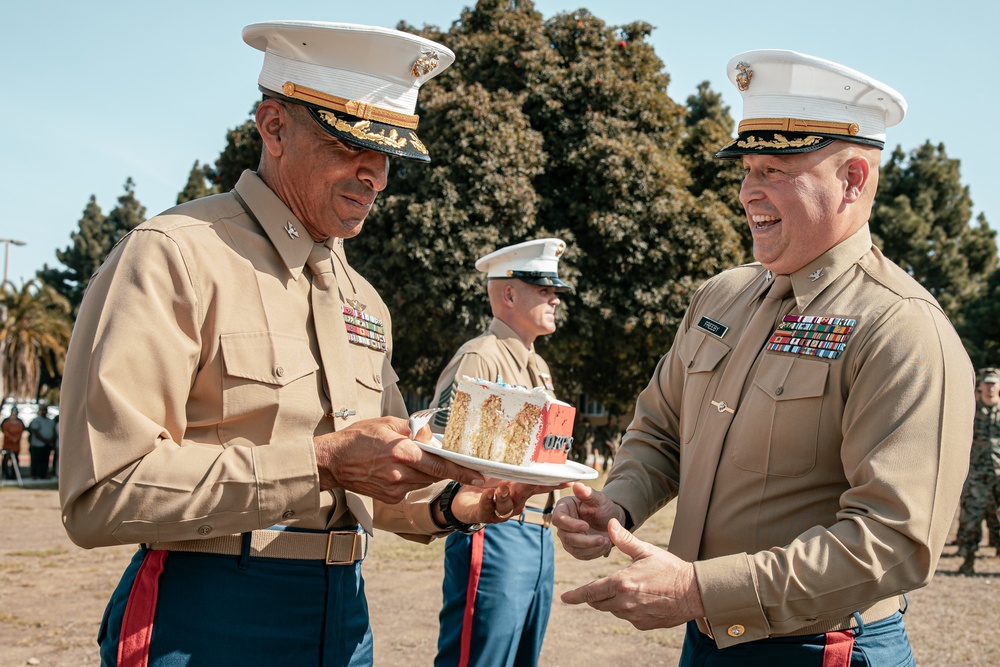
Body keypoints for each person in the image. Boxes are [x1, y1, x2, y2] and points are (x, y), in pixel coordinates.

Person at [58, 21, 551, 667]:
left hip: (343, 611)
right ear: (274, 126)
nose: (374, 174)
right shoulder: (176, 254)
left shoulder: (362, 297)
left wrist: (462, 503)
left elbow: (373, 480)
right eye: (350, 143)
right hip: (208, 610)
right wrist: (319, 461)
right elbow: (104, 491)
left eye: (388, 156)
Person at [552, 49, 974, 665]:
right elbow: (663, 428)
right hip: (709, 639)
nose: (749, 191)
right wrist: (617, 503)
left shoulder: (901, 328)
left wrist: (700, 590)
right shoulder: (722, 294)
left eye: (776, 169)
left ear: (853, 179)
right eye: (747, 169)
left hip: (821, 647)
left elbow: (893, 541)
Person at [429, 238, 572, 667]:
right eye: (544, 290)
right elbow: (443, 441)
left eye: (555, 292)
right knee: (481, 658)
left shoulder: (537, 365)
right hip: (492, 528)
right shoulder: (481, 356)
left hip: (536, 532)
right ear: (508, 293)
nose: (554, 299)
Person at [956, 368, 1000, 574]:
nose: (990, 387)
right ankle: (968, 561)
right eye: (987, 383)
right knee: (971, 518)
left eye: (994, 383)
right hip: (976, 476)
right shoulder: (971, 411)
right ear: (980, 385)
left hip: (999, 475)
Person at [27, 403, 57, 479]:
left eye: (45, 410)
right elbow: (35, 431)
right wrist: (44, 440)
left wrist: (51, 440)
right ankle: (35, 474)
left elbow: (54, 431)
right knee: (36, 460)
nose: (44, 412)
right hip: (37, 445)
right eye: (42, 410)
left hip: (47, 445)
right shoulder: (36, 420)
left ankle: (43, 474)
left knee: (45, 461)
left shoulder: (50, 421)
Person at [1, 406, 25, 480]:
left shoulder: (20, 422)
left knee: (15, 461)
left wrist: (16, 439)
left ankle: (14, 475)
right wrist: (11, 438)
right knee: (5, 460)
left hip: (16, 445)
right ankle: (6, 474)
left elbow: (21, 431)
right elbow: (5, 431)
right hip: (8, 444)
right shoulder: (6, 422)